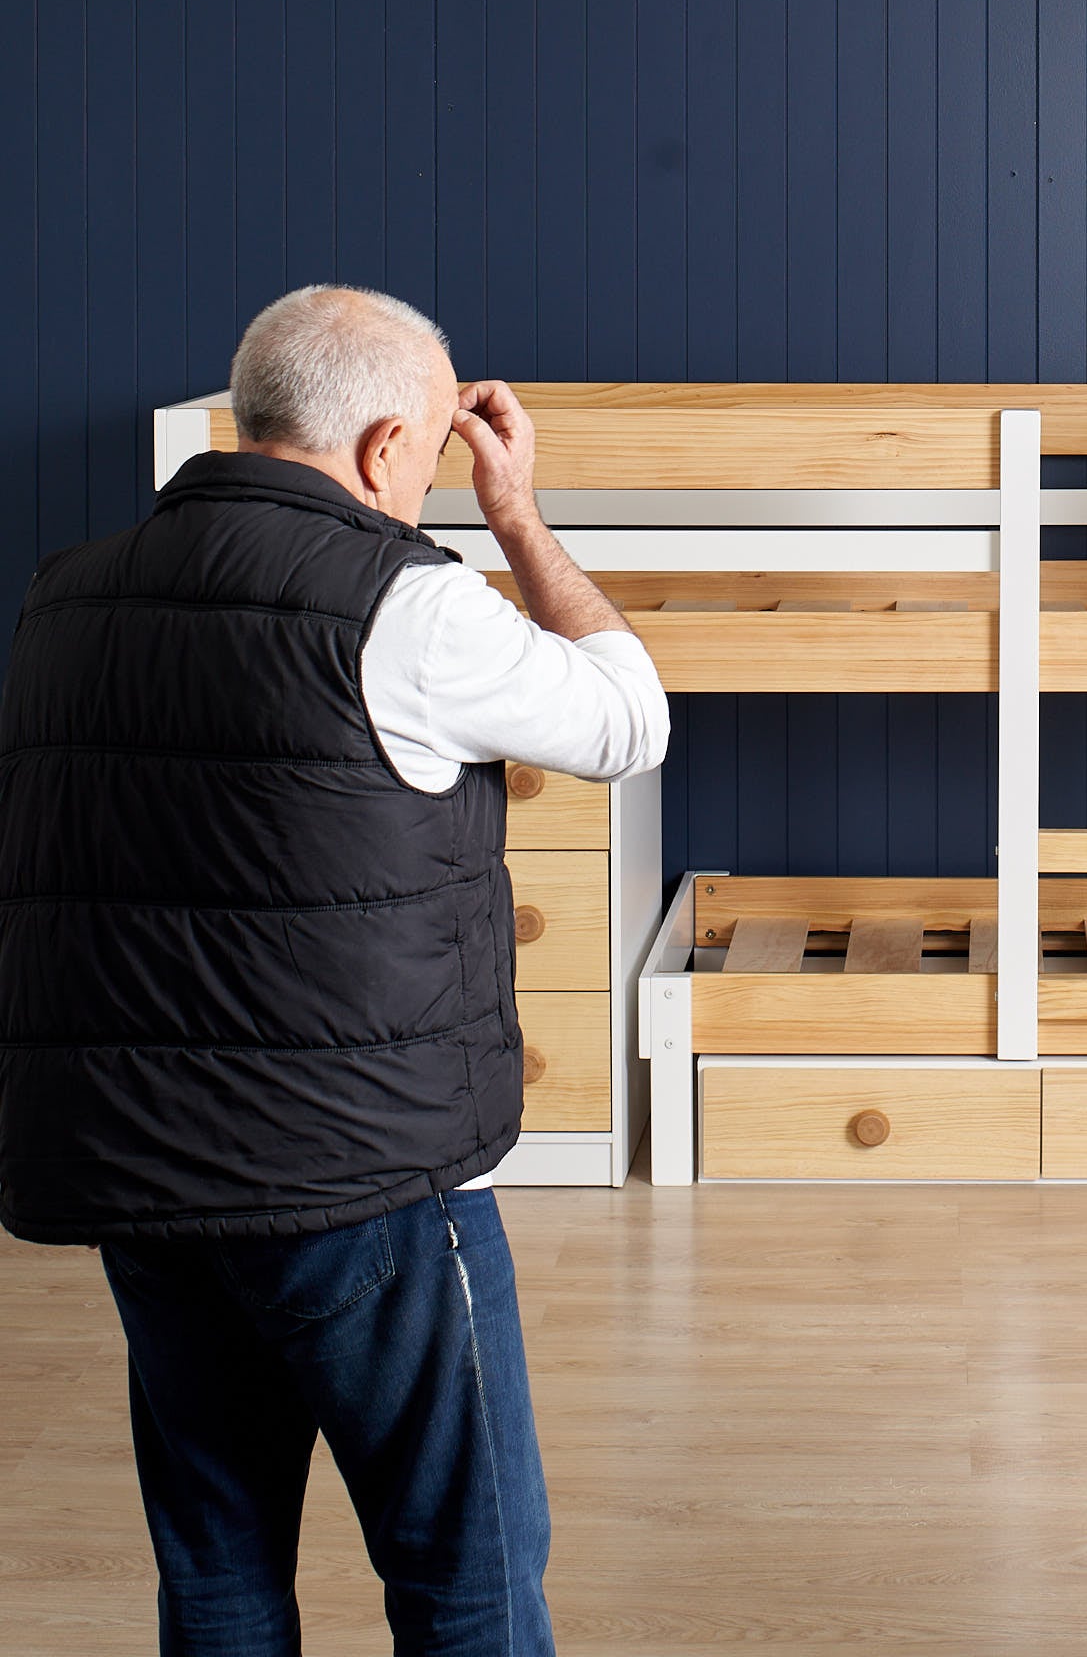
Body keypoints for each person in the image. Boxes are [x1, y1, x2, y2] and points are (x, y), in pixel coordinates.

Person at [0, 287, 669, 1655]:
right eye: (425, 457)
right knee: (463, 1574)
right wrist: (516, 515)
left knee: (219, 1576)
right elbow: (624, 717)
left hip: (143, 1180)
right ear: (380, 451)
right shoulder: (408, 606)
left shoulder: (64, 597)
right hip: (360, 1188)